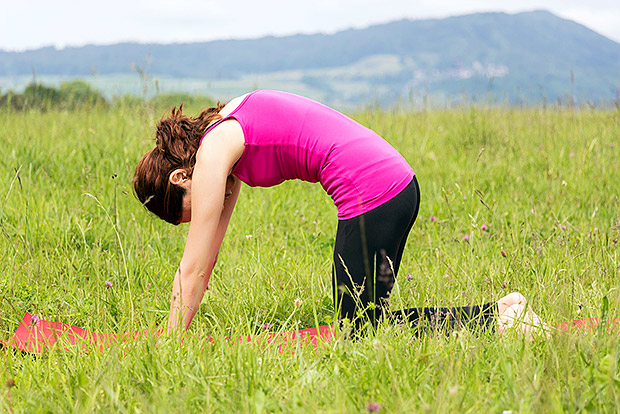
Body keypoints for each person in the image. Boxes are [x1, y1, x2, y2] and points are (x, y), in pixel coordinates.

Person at [133, 89, 545, 336]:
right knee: (364, 322)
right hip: (394, 184)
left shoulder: (212, 155)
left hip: (373, 193)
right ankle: (504, 312)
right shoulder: (224, 137)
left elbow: (192, 267)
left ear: (180, 179)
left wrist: (171, 342)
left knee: (357, 332)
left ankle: (502, 321)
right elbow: (208, 254)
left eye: (187, 212)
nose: (204, 209)